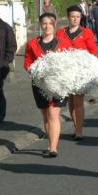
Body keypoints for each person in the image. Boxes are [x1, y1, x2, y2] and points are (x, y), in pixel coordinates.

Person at [24, 13, 72, 158]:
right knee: (45, 115)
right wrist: (34, 70)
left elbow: (70, 61)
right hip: (39, 83)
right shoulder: (32, 43)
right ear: (40, 25)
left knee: (53, 113)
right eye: (44, 23)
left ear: (54, 25)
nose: (47, 26)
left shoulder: (63, 42)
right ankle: (50, 142)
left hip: (58, 85)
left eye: (50, 24)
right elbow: (27, 62)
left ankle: (53, 148)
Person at [56, 5, 98, 140]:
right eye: (72, 17)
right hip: (65, 72)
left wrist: (88, 66)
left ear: (81, 18)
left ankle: (79, 130)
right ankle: (75, 126)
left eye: (77, 17)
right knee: (71, 102)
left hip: (80, 73)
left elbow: (93, 52)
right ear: (68, 18)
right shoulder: (60, 33)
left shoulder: (87, 33)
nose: (75, 19)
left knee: (78, 100)